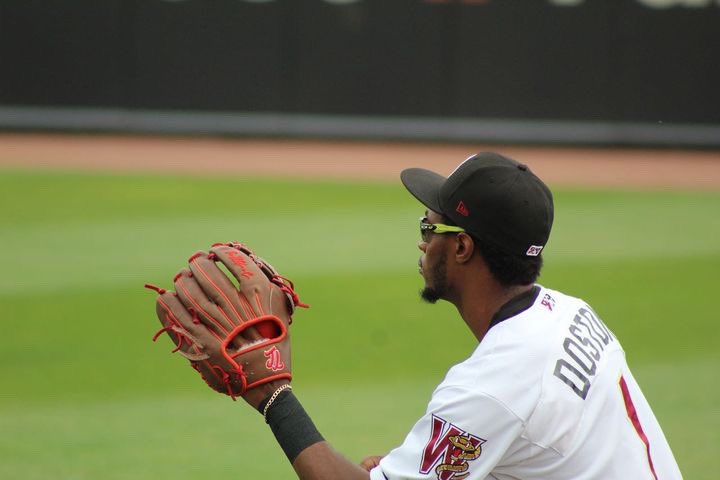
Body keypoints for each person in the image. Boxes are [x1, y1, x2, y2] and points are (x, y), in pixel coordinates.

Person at [249, 152, 683, 479]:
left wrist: (273, 395)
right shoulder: (570, 313)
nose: (423, 243)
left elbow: (506, 402)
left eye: (429, 227)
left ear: (461, 247)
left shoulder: (491, 387)